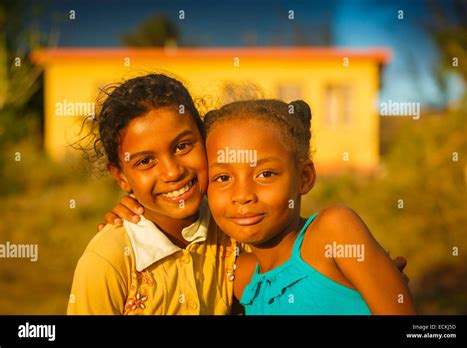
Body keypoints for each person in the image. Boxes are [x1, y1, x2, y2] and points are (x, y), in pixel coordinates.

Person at [203, 99, 416, 315]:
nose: (242, 195)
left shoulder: (333, 233)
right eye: (222, 177)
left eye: (265, 174)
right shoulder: (239, 278)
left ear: (304, 178)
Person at [67, 74, 239, 315]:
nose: (172, 172)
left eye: (183, 146)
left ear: (204, 139)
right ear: (121, 177)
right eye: (146, 161)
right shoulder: (108, 259)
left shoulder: (234, 228)